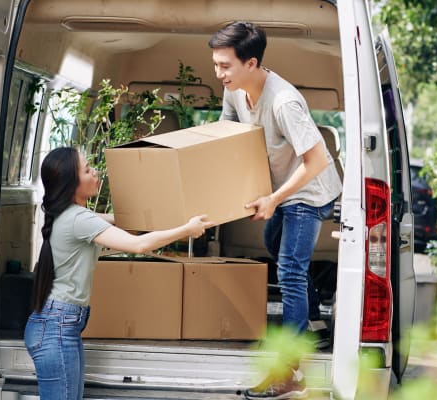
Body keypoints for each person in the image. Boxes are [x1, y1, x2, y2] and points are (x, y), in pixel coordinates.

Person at [209, 21, 342, 399]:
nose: (218, 74)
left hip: (309, 192)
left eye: (225, 66)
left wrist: (273, 198)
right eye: (216, 64)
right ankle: (314, 318)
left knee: (289, 271)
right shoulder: (235, 92)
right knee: (276, 246)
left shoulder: (284, 102)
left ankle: (289, 371)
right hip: (281, 190)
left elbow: (316, 161)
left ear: (251, 63)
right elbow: (228, 128)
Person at [24, 147, 213, 400]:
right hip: (57, 326)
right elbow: (139, 245)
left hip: (58, 324)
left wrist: (172, 215)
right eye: (88, 170)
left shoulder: (74, 215)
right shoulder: (79, 219)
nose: (96, 173)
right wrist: (186, 230)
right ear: (72, 182)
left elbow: (124, 222)